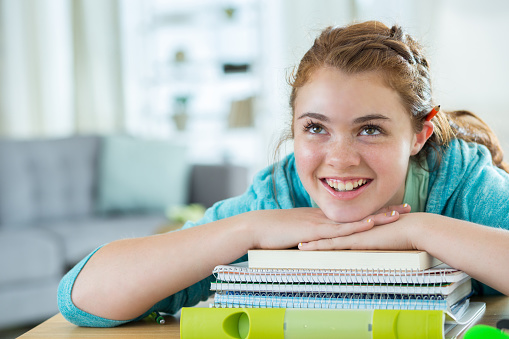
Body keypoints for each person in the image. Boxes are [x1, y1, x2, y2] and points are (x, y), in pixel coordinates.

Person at [58, 21, 509, 327]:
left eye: (370, 129)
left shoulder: (464, 185)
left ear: (418, 135)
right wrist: (248, 228)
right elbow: (81, 299)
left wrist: (419, 230)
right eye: (316, 128)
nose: (340, 158)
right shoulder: (276, 199)